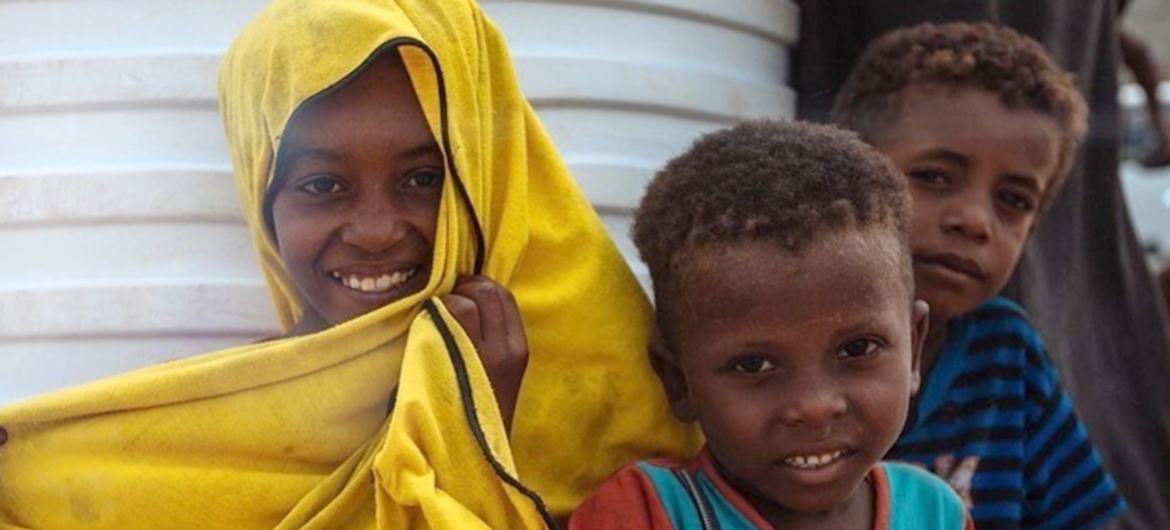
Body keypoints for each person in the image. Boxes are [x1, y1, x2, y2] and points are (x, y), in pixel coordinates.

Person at [0, 0, 700, 527]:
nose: (374, 232)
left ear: (490, 174)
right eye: (321, 185)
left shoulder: (622, 390)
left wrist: (478, 436)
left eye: (426, 178)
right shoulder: (200, 432)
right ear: (261, 194)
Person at [796, 3, 1170, 528]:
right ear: (847, 174)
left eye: (1013, 201)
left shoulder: (1006, 354)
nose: (975, 221)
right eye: (934, 177)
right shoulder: (787, 342)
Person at [570, 120, 973, 530]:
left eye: (857, 349)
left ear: (913, 348)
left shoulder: (936, 512)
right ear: (678, 381)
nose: (816, 406)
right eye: (755, 366)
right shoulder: (645, 513)